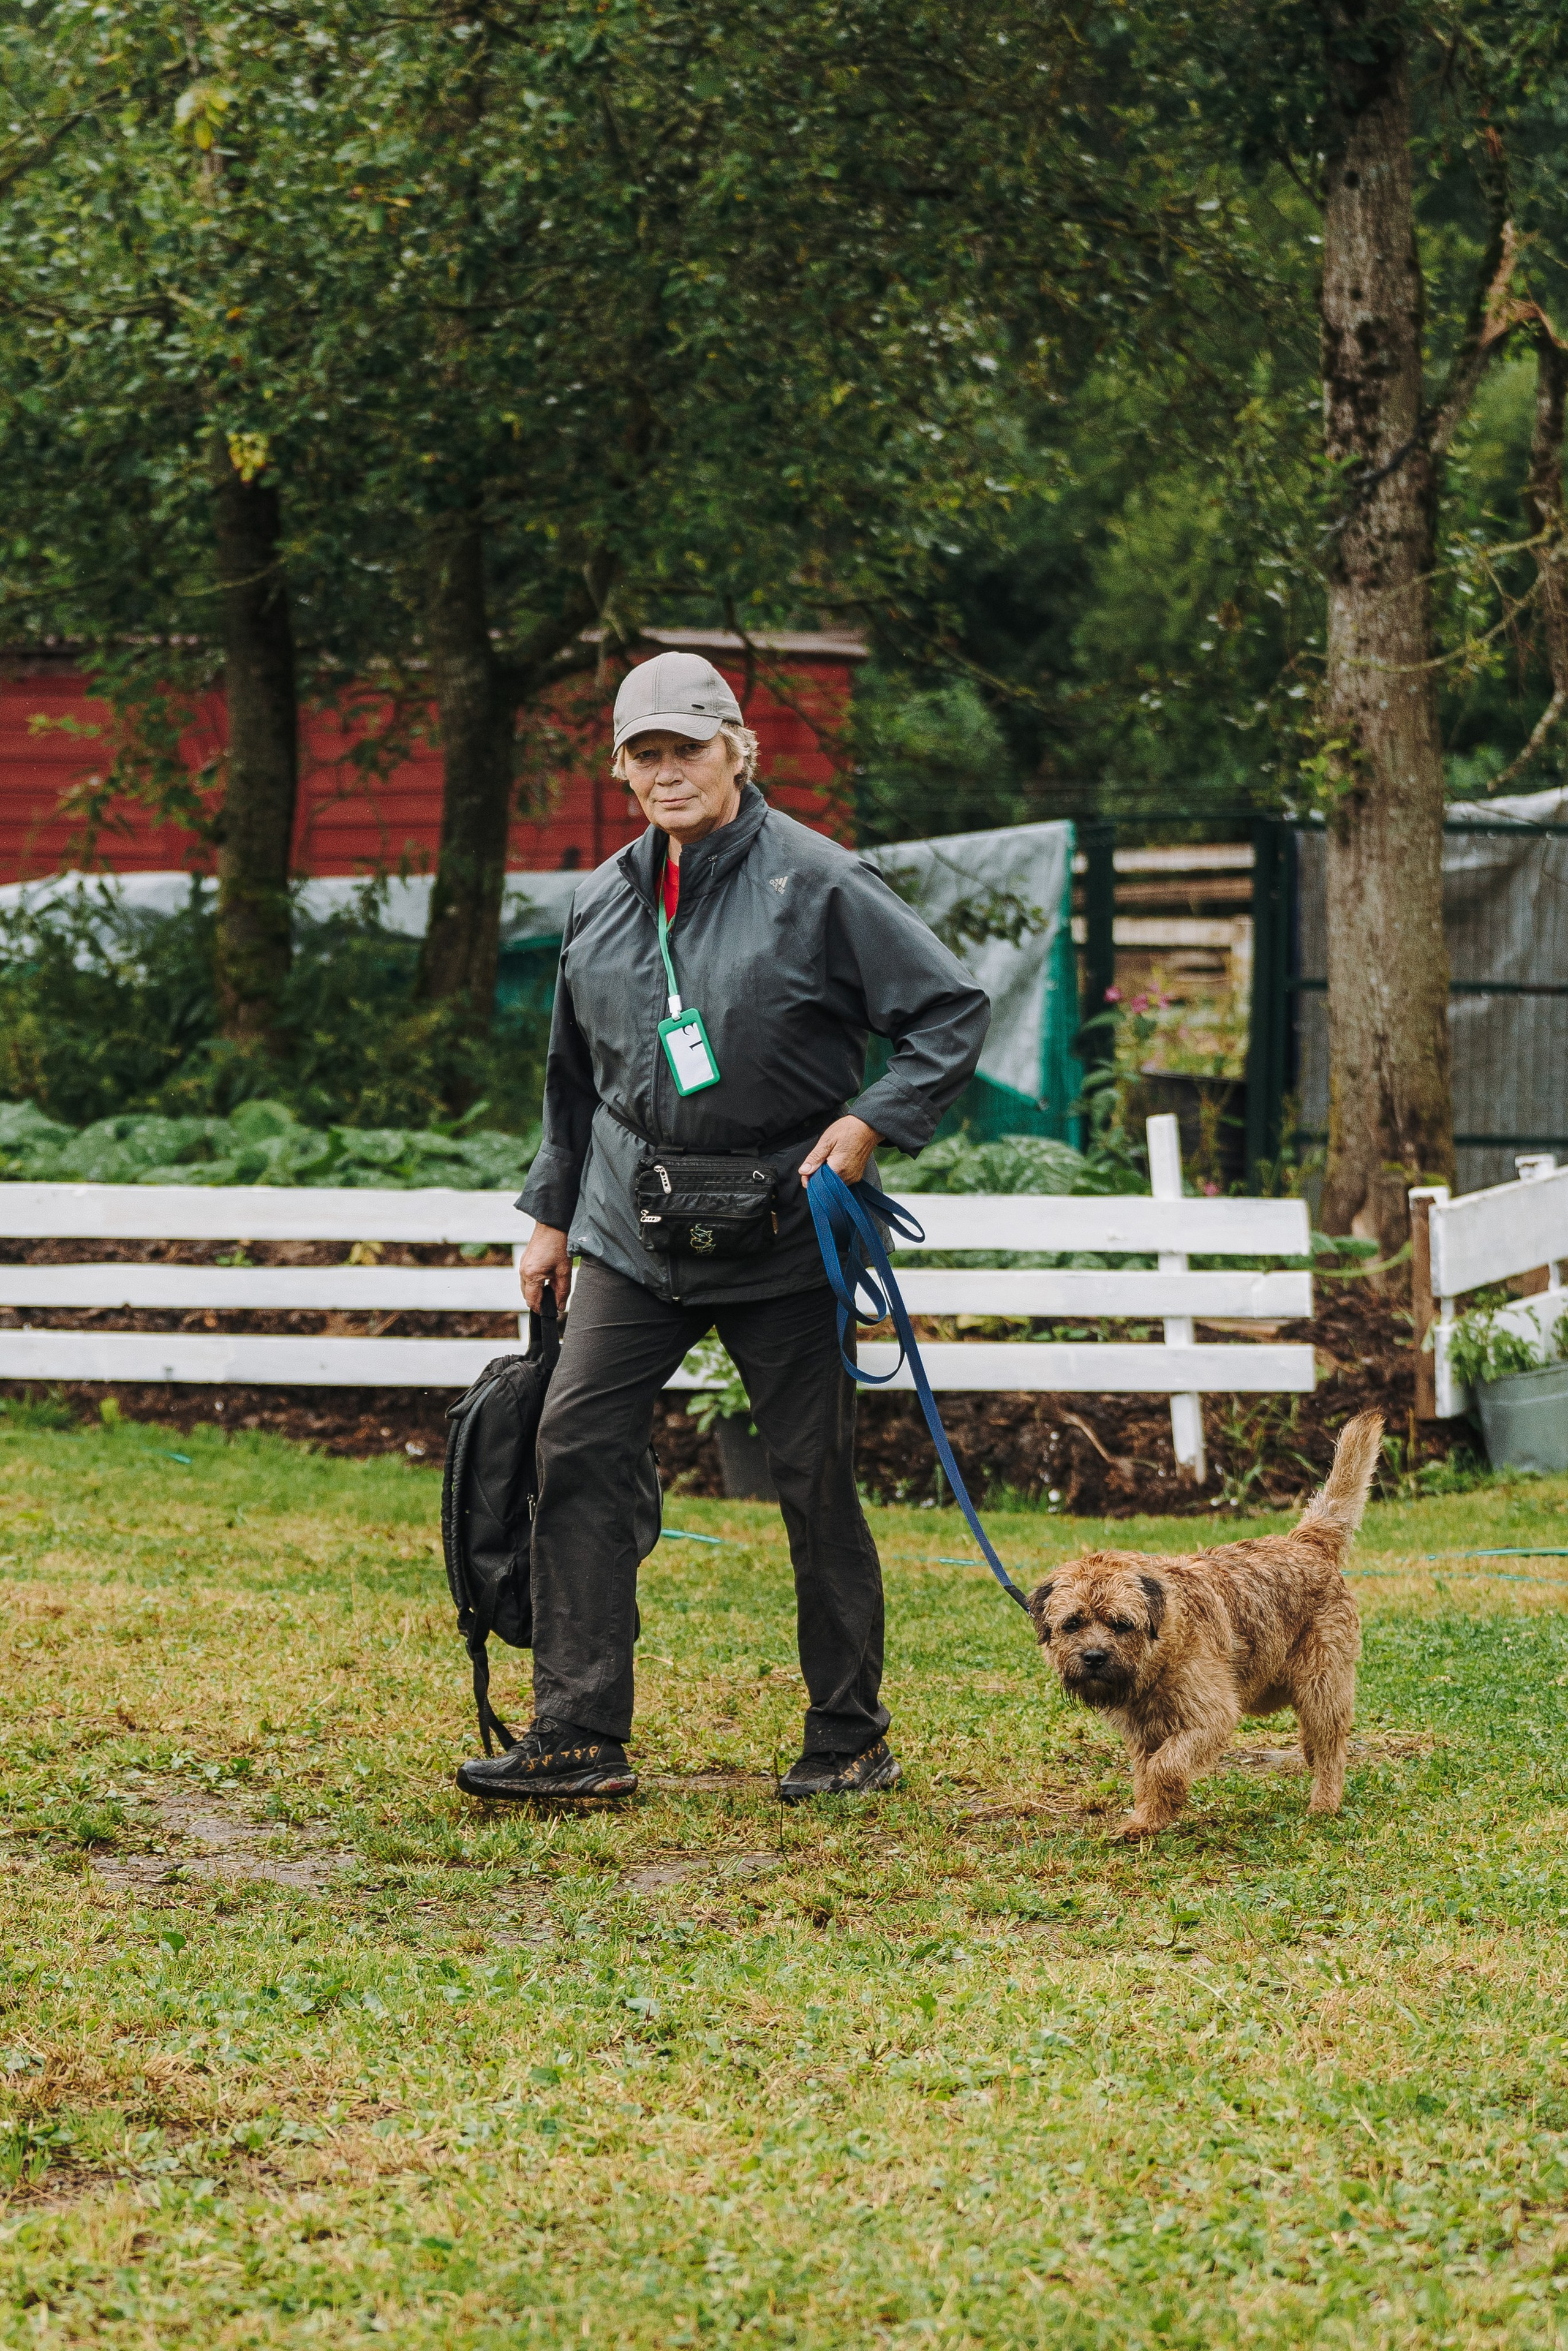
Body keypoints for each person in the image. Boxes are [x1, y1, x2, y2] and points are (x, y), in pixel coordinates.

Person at [454, 649, 989, 1805]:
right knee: (576, 1444)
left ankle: (848, 1736)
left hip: (788, 1225)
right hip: (628, 1229)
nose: (666, 771)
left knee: (813, 1478)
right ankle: (578, 1733)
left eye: (686, 748)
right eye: (644, 753)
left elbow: (949, 1012)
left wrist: (868, 1124)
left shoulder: (824, 883)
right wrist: (549, 1213)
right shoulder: (602, 896)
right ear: (622, 768)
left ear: (739, 750)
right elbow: (569, 1077)